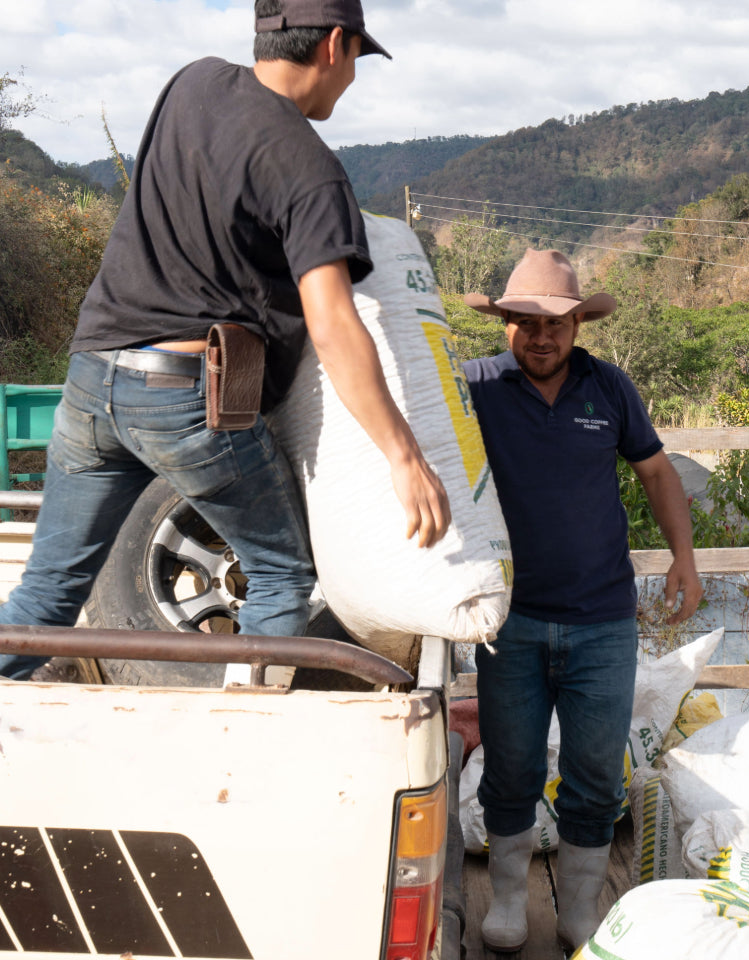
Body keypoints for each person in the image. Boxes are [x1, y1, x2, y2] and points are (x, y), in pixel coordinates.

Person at [0, 0, 450, 678]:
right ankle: (241, 737)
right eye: (357, 58)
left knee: (46, 593)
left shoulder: (193, 82)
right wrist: (403, 455)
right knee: (279, 573)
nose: (353, 77)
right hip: (184, 397)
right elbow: (331, 323)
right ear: (334, 45)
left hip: (92, 380)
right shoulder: (309, 167)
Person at [463, 249, 703, 952]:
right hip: (508, 619)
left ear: (576, 326)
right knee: (512, 767)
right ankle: (507, 902)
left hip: (602, 621)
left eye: (556, 325)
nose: (542, 338)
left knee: (597, 777)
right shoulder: (473, 388)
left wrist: (683, 557)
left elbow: (657, 471)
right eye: (526, 324)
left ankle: (579, 912)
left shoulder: (609, 388)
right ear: (505, 323)